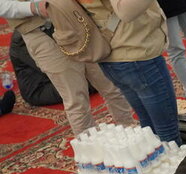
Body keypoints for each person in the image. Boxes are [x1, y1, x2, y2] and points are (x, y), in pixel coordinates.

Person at [1, 0, 134, 135]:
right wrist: (33, 7)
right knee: (76, 99)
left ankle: (132, 133)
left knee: (110, 85)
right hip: (39, 30)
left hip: (72, 16)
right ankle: (93, 150)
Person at [70, 0, 182, 142]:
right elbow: (126, 12)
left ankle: (161, 161)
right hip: (135, 51)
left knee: (150, 129)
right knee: (167, 132)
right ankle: (176, 163)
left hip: (115, 53)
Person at [9, 30, 63, 106]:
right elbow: (49, 68)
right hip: (39, 90)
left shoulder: (38, 28)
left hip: (50, 80)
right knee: (79, 85)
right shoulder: (22, 40)